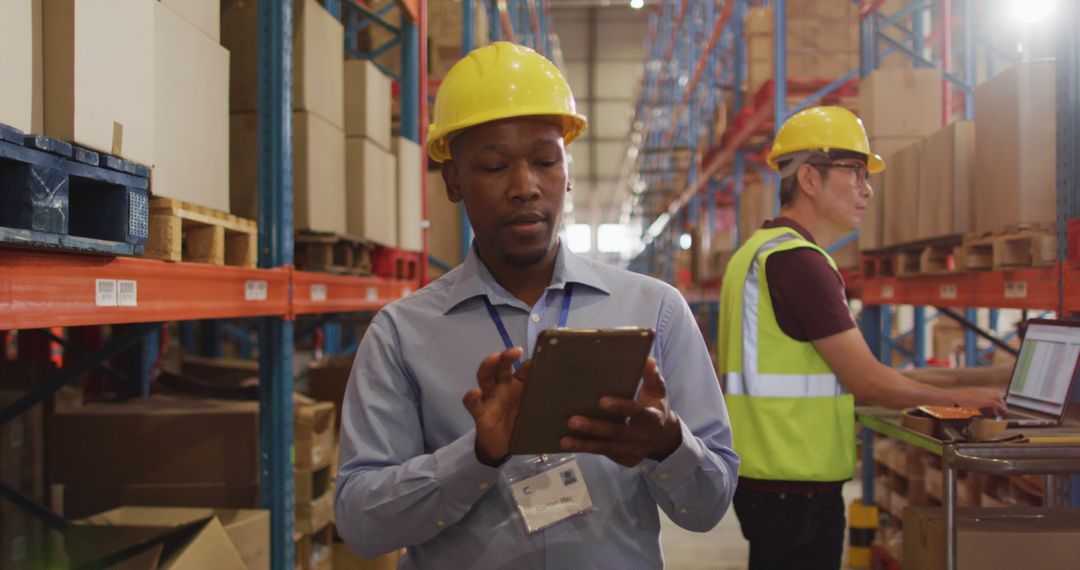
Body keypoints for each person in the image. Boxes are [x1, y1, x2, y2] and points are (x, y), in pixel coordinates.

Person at [334, 41, 740, 569]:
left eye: (545, 161)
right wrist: (475, 457)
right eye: (494, 166)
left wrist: (666, 444)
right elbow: (361, 525)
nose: (525, 187)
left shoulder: (655, 310)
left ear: (567, 171)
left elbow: (709, 506)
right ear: (453, 180)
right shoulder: (402, 334)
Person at [717, 106, 1007, 570]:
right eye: (854, 172)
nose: (866, 189)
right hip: (796, 485)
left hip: (765, 477)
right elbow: (869, 383)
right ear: (809, 178)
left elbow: (834, 370)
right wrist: (959, 399)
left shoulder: (755, 252)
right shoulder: (799, 262)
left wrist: (963, 381)